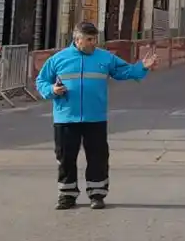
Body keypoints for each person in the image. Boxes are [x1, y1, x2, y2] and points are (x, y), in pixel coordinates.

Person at [35, 21, 156, 210]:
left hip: (95, 117)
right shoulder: (58, 59)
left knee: (98, 157)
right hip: (66, 118)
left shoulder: (105, 58)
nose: (93, 43)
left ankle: (97, 194)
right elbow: (41, 80)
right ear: (77, 39)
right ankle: (67, 195)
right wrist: (52, 90)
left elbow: (124, 71)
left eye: (95, 39)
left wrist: (142, 67)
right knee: (66, 158)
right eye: (89, 39)